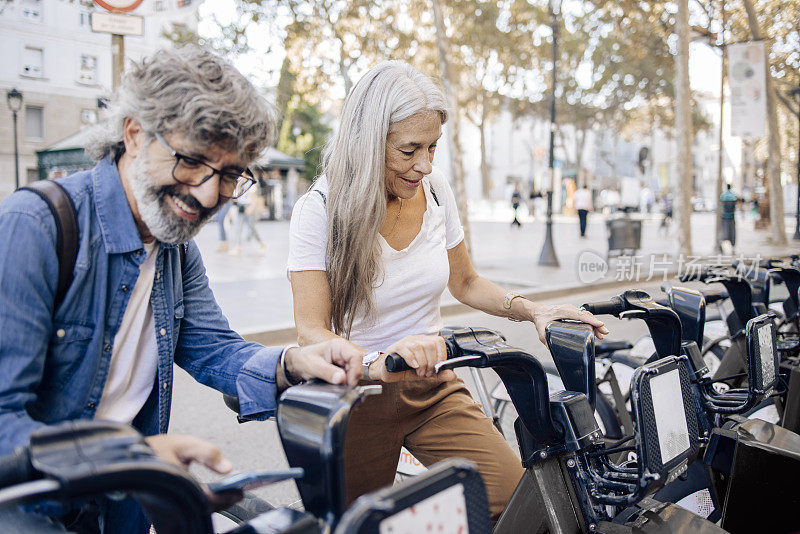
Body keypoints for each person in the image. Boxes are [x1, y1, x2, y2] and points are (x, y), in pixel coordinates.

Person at [0, 47, 369, 534]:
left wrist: (292, 363)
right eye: (192, 161)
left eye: (231, 173)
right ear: (134, 134)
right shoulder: (35, 226)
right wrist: (129, 456)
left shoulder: (175, 250)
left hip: (124, 508)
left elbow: (214, 349)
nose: (209, 194)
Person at [286, 60, 608, 520]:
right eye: (409, 150)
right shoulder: (318, 210)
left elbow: (467, 282)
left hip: (431, 386)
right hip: (356, 397)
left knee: (522, 506)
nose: (425, 165)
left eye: (432, 147)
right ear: (366, 141)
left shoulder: (435, 192)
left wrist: (533, 310)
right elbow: (310, 332)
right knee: (357, 526)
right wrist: (379, 361)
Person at [720, 183, 738, 249]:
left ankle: (722, 244)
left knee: (724, 232)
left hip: (724, 217)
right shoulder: (733, 196)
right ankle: (732, 246)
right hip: (731, 217)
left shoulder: (723, 196)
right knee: (732, 233)